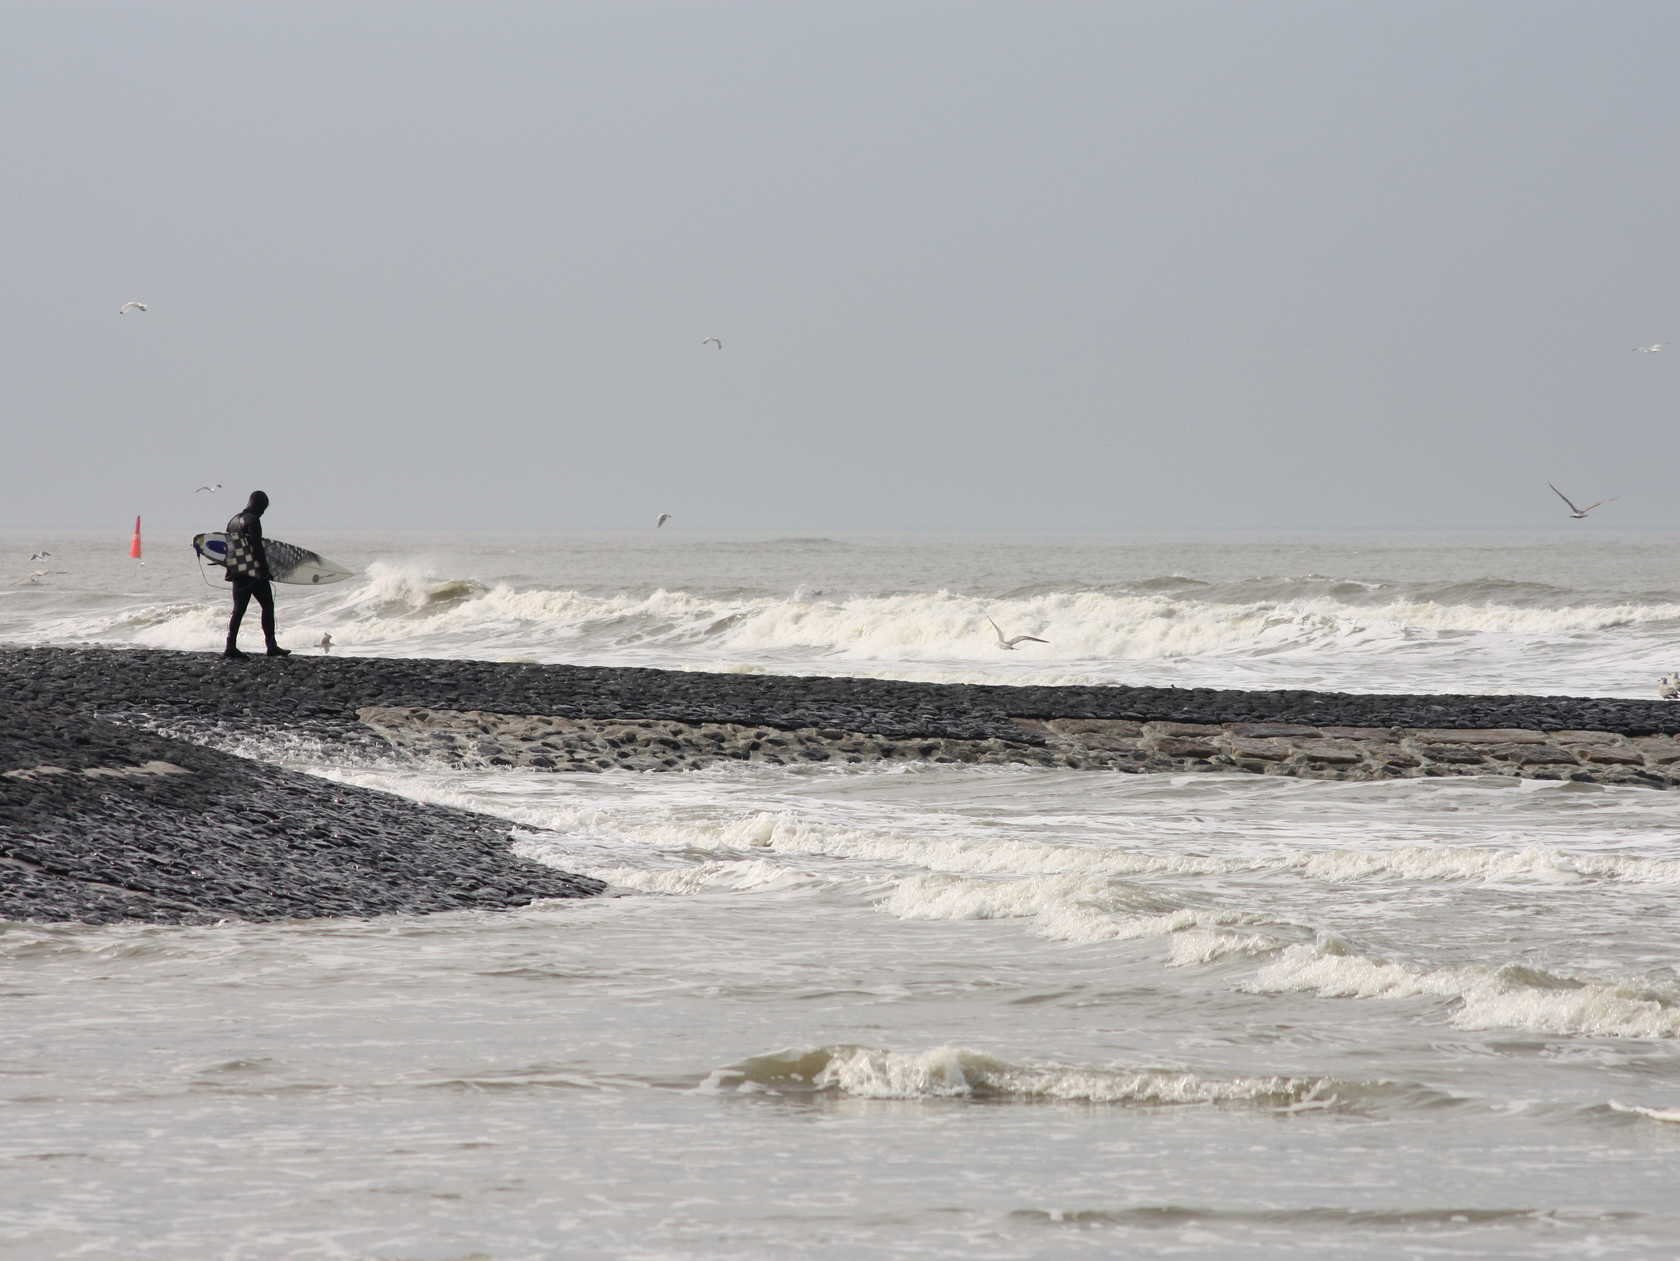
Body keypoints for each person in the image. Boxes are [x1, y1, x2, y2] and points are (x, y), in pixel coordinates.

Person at [223, 490, 290, 659]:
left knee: (238, 610)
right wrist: (265, 570)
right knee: (267, 605)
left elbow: (229, 548)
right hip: (253, 572)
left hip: (238, 571)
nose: (263, 512)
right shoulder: (253, 520)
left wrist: (229, 570)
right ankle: (271, 646)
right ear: (259, 505)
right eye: (263, 508)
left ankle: (230, 646)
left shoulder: (233, 521)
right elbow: (256, 547)